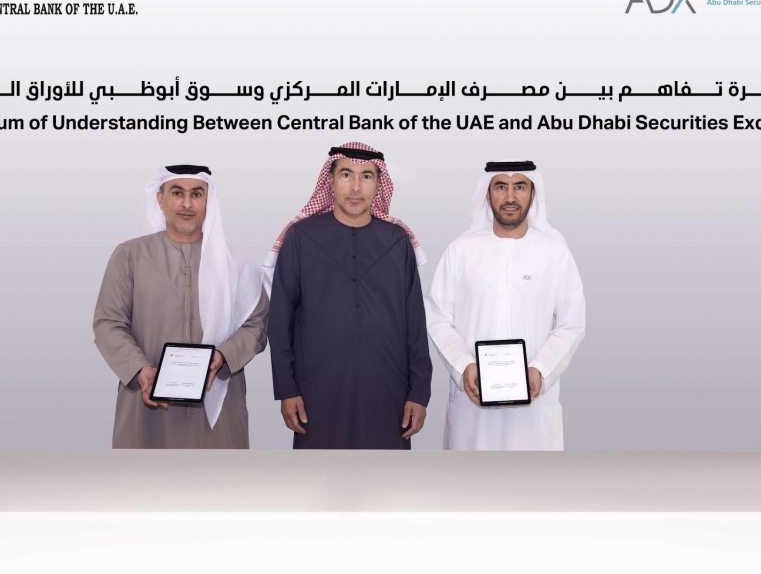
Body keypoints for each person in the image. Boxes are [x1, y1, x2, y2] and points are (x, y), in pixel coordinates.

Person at [266, 142, 432, 449]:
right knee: (319, 476)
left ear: (379, 184)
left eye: (366, 176)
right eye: (346, 175)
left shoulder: (397, 241)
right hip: (316, 393)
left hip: (389, 392)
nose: (355, 187)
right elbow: (279, 321)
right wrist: (286, 389)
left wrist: (419, 392)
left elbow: (415, 324)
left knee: (387, 476)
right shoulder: (301, 237)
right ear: (330, 180)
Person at [93, 165, 268, 448]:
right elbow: (108, 323)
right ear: (160, 199)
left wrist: (224, 357)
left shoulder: (236, 263)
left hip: (218, 407)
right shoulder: (130, 256)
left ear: (209, 201)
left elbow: (257, 324)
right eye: (177, 193)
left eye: (196, 194)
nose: (187, 204)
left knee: (219, 476)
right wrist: (139, 369)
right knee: (145, 476)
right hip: (147, 408)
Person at [424, 161, 585, 450]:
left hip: (533, 413)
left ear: (533, 194)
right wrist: (463, 365)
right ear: (487, 195)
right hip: (472, 408)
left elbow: (571, 325)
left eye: (519, 186)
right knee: (470, 478)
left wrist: (540, 369)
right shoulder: (460, 251)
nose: (510, 197)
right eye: (501, 186)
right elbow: (438, 318)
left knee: (531, 479)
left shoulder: (555, 254)